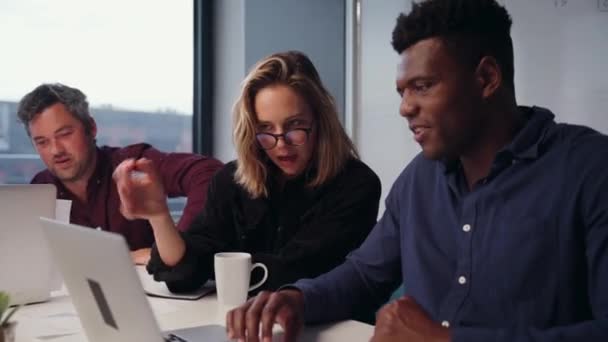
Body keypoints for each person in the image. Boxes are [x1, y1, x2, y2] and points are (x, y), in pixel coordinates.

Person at [225, 1, 608, 341]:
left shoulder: (589, 169)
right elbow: (362, 275)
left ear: (487, 78)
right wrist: (297, 300)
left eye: (422, 87)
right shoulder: (420, 178)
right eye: (402, 92)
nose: (405, 108)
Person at [113, 51, 382, 293]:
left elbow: (297, 271)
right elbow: (182, 276)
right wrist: (159, 216)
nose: (281, 144)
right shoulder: (231, 181)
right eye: (266, 130)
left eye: (295, 126)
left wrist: (208, 262)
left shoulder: (357, 185)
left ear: (320, 122)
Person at [17, 83, 224, 264]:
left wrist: (180, 244)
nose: (56, 150)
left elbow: (209, 173)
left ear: (91, 128)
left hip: (155, 299)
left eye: (64, 134)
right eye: (42, 142)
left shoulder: (131, 165)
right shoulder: (41, 189)